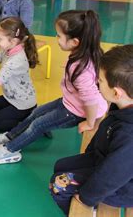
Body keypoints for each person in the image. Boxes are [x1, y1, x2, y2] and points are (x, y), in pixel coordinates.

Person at [0, 10, 108, 165]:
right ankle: (11, 136)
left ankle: (9, 150)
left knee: (37, 125)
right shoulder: (82, 53)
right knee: (36, 113)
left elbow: (91, 98)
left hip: (78, 111)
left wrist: (89, 122)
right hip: (71, 102)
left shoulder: (80, 68)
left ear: (75, 42)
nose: (56, 39)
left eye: (59, 36)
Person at [49, 44, 133, 215]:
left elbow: (113, 174)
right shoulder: (122, 106)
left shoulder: (128, 133)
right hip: (105, 159)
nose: (96, 82)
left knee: (58, 184)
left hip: (124, 188)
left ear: (117, 93)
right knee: (60, 166)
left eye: (100, 80)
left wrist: (86, 198)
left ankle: (87, 211)